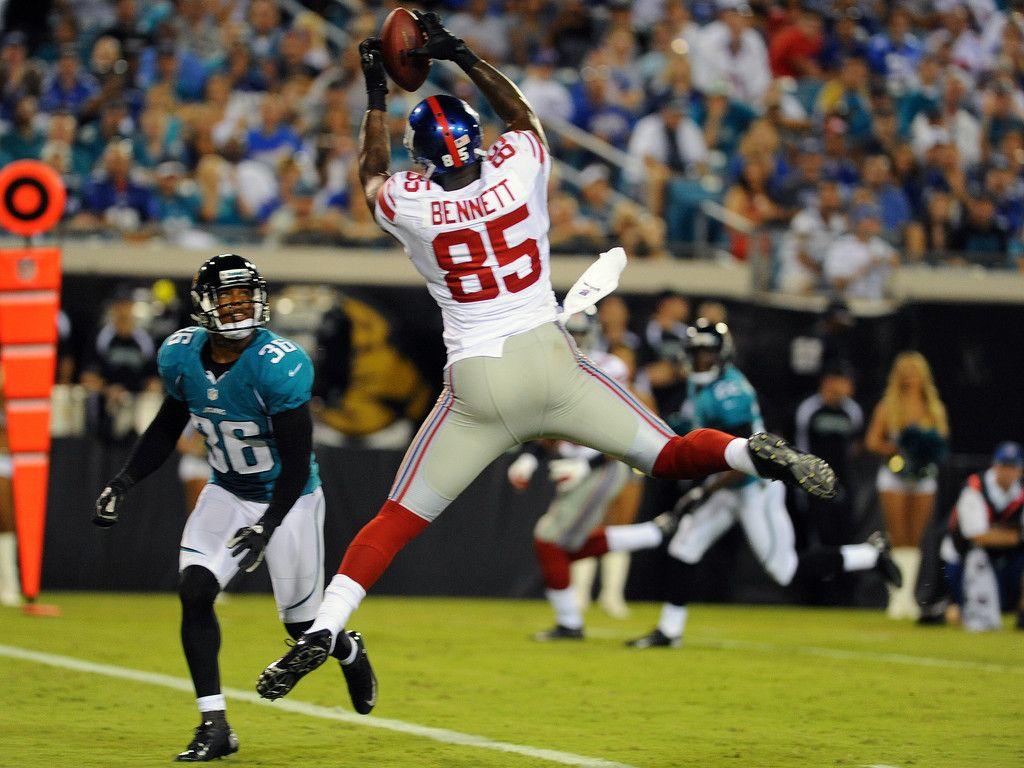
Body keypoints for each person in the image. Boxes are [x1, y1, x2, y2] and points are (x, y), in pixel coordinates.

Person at [257, 13, 837, 702]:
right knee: (675, 455)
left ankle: (326, 626)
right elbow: (522, 115)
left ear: (424, 161)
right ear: (478, 140)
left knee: (395, 519)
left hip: (478, 378)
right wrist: (465, 55)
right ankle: (751, 454)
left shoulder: (411, 203)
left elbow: (371, 173)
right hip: (550, 361)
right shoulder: (519, 164)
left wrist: (377, 94)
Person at [92, 254, 376, 762]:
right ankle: (214, 723)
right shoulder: (180, 355)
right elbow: (165, 426)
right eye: (229, 297)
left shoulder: (279, 364)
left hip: (288, 499)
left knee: (300, 629)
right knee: (195, 589)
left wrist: (267, 525)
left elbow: (294, 462)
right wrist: (124, 480)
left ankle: (347, 649)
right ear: (204, 304)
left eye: (247, 296)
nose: (240, 305)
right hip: (226, 491)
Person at [628, 320, 899, 649]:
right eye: (696, 353)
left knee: (785, 570)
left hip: (755, 485)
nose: (701, 360)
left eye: (707, 354)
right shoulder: (699, 386)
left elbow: (744, 460)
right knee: (684, 546)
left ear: (722, 355)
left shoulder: (732, 391)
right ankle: (670, 631)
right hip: (726, 486)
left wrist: (703, 491)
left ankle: (870, 555)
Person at [508, 314, 678, 638]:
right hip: (570, 466)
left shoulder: (608, 368)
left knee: (549, 539)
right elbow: (546, 425)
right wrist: (531, 457)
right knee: (565, 544)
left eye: (581, 333)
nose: (575, 340)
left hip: (603, 464)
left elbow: (625, 426)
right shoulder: (551, 371)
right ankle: (648, 535)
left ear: (594, 334)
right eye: (569, 333)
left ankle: (570, 621)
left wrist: (589, 464)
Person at [865, 351, 949, 620]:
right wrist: (898, 448)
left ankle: (909, 597)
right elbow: (872, 441)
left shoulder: (934, 408)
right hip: (895, 474)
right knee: (897, 536)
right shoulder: (888, 406)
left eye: (916, 372)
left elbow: (942, 441)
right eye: (906, 372)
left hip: (924, 476)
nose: (911, 377)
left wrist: (926, 449)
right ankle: (896, 597)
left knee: (916, 538)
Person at [941, 442, 1024, 631]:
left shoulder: (1021, 492)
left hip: (1006, 560)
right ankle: (970, 614)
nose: (1008, 471)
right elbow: (977, 536)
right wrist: (1015, 536)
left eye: (1013, 466)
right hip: (961, 559)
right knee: (977, 557)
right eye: (1004, 465)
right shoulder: (976, 487)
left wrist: (999, 535)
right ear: (995, 465)